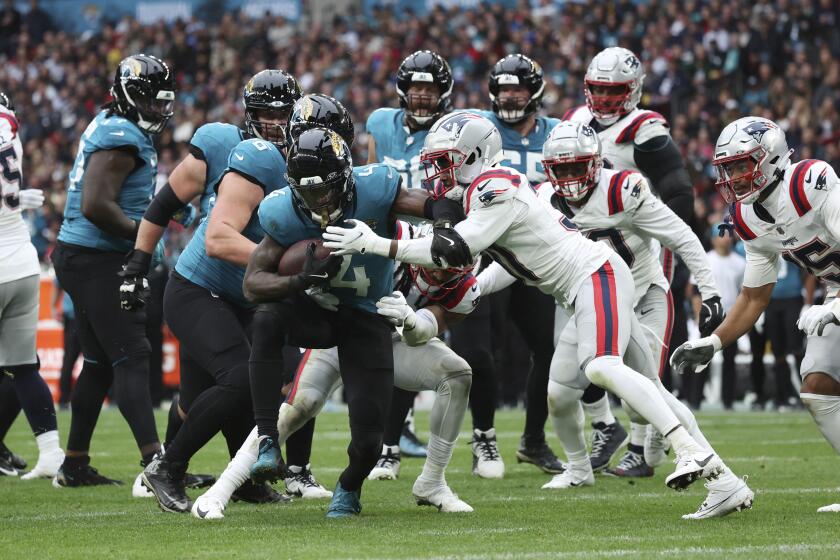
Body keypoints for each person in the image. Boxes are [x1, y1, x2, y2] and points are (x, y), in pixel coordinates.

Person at [323, 112, 743, 519]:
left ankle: (687, 450)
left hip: (594, 275)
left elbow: (451, 249)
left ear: (472, 156)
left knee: (601, 366)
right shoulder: (485, 190)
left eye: (444, 162)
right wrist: (474, 285)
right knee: (649, 386)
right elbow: (502, 257)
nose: (438, 174)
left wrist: (378, 244)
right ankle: (724, 481)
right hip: (586, 282)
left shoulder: (494, 187)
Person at [242, 126, 458, 518]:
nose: (319, 199)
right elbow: (252, 285)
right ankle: (268, 440)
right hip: (317, 310)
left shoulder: (375, 188)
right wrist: (299, 279)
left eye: (325, 188)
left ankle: (350, 484)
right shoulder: (282, 210)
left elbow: (434, 205)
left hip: (366, 314)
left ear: (345, 176)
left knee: (368, 442)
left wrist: (443, 228)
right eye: (308, 191)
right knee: (266, 319)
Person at [192, 224, 477, 519]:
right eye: (441, 263)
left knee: (457, 375)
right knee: (298, 408)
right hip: (340, 329)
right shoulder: (395, 236)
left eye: (454, 270)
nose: (443, 274)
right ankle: (220, 491)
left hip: (388, 340)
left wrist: (413, 321)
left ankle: (432, 482)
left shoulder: (466, 288)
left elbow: (426, 331)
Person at [130, 70, 304, 513]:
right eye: (265, 114)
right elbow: (213, 236)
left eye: (282, 114)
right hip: (200, 286)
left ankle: (240, 478)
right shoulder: (247, 154)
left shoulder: (302, 162)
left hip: (242, 295)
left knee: (210, 394)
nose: (273, 123)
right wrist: (136, 265)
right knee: (244, 377)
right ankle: (165, 467)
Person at [535, 121, 725, 479]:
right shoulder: (543, 200)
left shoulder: (623, 189)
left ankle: (680, 446)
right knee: (558, 395)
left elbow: (681, 236)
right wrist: (479, 284)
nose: (571, 177)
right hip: (590, 302)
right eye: (562, 169)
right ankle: (578, 468)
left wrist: (710, 289)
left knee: (640, 403)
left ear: (595, 163)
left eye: (578, 167)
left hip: (642, 296)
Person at [671, 116, 840, 513]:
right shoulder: (747, 218)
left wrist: (834, 307)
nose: (734, 177)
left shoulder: (809, 183)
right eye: (727, 169)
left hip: (836, 297)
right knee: (817, 387)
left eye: (742, 165)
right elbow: (752, 298)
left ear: (772, 159)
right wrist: (713, 342)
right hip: (837, 291)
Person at [565, 46, 699, 473]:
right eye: (598, 90)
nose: (604, 99)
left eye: (614, 91)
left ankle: (645, 445)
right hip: (585, 256)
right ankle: (610, 426)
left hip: (640, 255)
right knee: (585, 352)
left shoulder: (644, 129)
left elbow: (678, 191)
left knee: (644, 354)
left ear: (634, 90)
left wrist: (653, 233)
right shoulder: (573, 123)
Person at [51, 54, 174, 487]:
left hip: (80, 254)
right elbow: (96, 205)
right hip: (96, 258)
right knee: (132, 355)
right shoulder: (121, 135)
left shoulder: (111, 122)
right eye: (150, 100)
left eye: (162, 102)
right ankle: (156, 467)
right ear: (128, 95)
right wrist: (143, 233)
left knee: (100, 363)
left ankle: (74, 463)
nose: (158, 110)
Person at [461, 54, 563, 477]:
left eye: (517, 89)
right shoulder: (477, 128)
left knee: (545, 349)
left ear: (534, 91)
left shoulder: (559, 133)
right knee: (483, 351)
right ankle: (483, 437)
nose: (509, 96)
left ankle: (533, 440)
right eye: (503, 90)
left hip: (536, 254)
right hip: (488, 253)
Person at [366, 49, 454, 462]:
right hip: (388, 243)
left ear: (443, 93)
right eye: (416, 87)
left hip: (431, 247)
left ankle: (394, 437)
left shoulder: (455, 128)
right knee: (383, 335)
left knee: (416, 336)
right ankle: (389, 436)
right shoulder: (380, 124)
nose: (422, 96)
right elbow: (367, 177)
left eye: (430, 88)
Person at [0, 90, 63, 479]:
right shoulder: (10, 130)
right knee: (24, 367)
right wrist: (15, 199)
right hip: (23, 262)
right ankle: (52, 452)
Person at [686, 229, 744, 410]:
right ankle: (695, 400)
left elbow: (744, 293)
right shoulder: (706, 260)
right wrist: (698, 316)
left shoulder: (740, 263)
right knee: (703, 358)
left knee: (730, 360)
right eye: (721, 235)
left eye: (728, 235)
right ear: (712, 239)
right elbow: (695, 291)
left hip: (731, 316)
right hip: (708, 314)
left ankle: (728, 401)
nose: (726, 239)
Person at [53, 281, 81, 409]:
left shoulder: (66, 260)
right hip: (82, 317)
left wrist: (53, 306)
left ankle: (64, 399)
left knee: (69, 361)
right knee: (94, 360)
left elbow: (58, 284)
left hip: (73, 318)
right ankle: (66, 398)